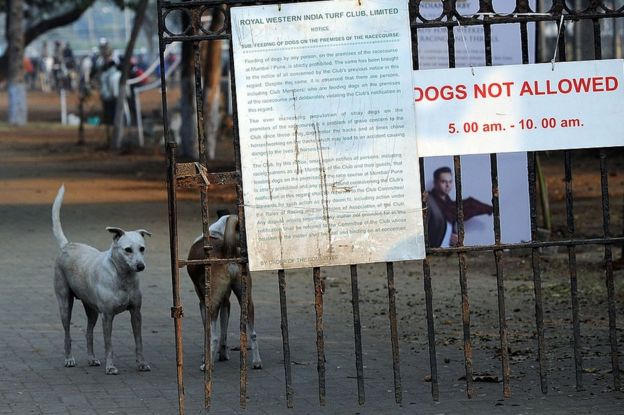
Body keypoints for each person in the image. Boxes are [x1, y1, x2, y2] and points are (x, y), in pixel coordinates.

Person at [426, 166, 494, 248]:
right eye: (443, 182)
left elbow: (448, 226)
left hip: (447, 251)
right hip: (432, 251)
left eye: (450, 181)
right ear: (435, 183)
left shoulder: (450, 205)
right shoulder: (428, 200)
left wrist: (452, 237)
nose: (448, 185)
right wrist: (444, 236)